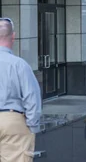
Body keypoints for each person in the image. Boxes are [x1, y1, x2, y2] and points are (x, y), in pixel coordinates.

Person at [0, 17, 42, 162]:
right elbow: (32, 97)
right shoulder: (19, 65)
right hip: (11, 121)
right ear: (13, 36)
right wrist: (32, 126)